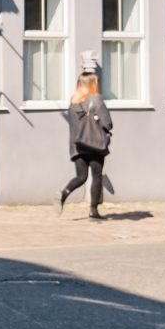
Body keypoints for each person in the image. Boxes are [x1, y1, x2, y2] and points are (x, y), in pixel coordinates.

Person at [59, 54, 115, 219]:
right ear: (92, 84)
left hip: (77, 146)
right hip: (95, 144)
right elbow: (108, 123)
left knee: (81, 177)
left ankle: (64, 193)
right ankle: (93, 210)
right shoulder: (96, 99)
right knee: (96, 175)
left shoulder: (73, 103)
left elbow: (75, 125)